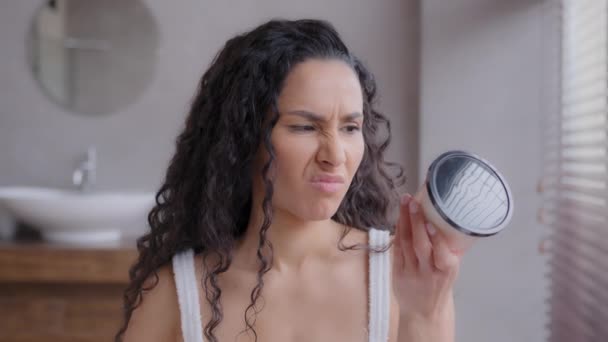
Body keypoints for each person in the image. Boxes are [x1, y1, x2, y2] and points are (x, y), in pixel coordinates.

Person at [116, 18, 461, 342]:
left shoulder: (401, 278)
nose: (335, 155)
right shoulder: (176, 295)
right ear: (244, 138)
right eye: (305, 127)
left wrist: (423, 317)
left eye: (350, 128)